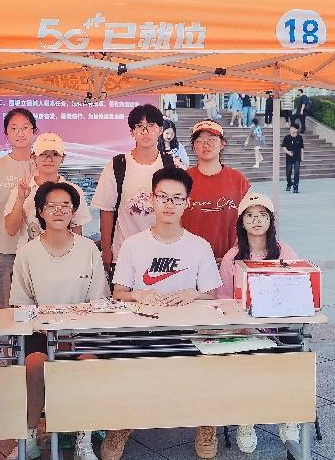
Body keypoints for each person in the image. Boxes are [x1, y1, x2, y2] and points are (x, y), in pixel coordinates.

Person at [103, 167, 222, 460]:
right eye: (163, 197)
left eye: (177, 198)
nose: (169, 204)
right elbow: (118, 292)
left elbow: (212, 294)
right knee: (123, 366)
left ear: (187, 202)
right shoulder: (133, 245)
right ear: (152, 199)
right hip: (142, 332)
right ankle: (121, 424)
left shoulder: (199, 246)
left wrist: (193, 293)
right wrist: (138, 294)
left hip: (189, 333)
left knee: (211, 365)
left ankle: (206, 423)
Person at [10, 182, 110, 460]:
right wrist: (43, 324)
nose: (58, 210)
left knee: (89, 366)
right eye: (51, 206)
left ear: (74, 211)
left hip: (81, 332)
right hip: (40, 332)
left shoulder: (88, 249)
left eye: (65, 205)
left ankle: (83, 437)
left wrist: (75, 324)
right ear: (40, 211)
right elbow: (21, 303)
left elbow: (98, 300)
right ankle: (29, 435)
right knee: (34, 366)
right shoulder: (27, 252)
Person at [215, 192, 302, 453]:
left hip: (280, 325)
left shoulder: (284, 251)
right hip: (245, 328)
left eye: (262, 215)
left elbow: (298, 287)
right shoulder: (232, 257)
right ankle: (246, 421)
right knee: (247, 363)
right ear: (241, 222)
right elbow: (223, 299)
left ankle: (289, 417)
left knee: (294, 357)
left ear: (271, 220)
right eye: (250, 215)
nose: (256, 220)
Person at [92, 104, 185, 277]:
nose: (145, 131)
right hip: (124, 254)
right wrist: (106, 250)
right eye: (139, 126)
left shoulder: (173, 165)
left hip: (164, 252)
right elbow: (106, 210)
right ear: (132, 132)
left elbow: (182, 211)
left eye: (151, 125)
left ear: (160, 130)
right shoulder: (117, 165)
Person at [0, 108, 35, 306]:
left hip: (39, 248)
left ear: (34, 131)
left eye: (25, 127)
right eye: (14, 128)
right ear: (6, 134)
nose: (20, 133)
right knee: (7, 309)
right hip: (6, 249)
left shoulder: (41, 165)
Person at [4, 133, 92, 251]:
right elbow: (11, 230)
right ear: (34, 157)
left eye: (55, 154)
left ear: (62, 158)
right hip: (29, 258)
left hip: (63, 257)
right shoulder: (21, 189)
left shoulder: (74, 191)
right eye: (43, 154)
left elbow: (77, 231)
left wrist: (75, 257)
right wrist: (20, 199)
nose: (49, 159)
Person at [182, 120, 251, 261]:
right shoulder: (182, 179)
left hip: (230, 260)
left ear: (222, 144)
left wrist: (232, 255)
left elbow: (248, 221)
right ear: (193, 147)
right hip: (190, 260)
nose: (205, 145)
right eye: (199, 140)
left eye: (212, 139)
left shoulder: (238, 180)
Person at [282, 124, 305, 193]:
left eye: (292, 128)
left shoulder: (299, 137)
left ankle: (295, 187)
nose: (291, 129)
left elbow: (301, 148)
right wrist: (288, 152)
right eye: (290, 128)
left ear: (296, 130)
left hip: (297, 157)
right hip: (289, 158)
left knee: (296, 172)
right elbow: (283, 147)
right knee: (288, 172)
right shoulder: (287, 137)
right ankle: (289, 183)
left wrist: (302, 156)